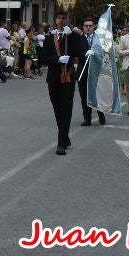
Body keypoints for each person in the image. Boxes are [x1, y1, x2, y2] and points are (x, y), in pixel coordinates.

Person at [39, 11, 85, 155]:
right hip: (53, 78)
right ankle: (65, 137)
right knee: (57, 109)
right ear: (55, 20)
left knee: (66, 109)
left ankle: (61, 144)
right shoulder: (48, 38)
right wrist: (57, 59)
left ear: (67, 20)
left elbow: (81, 51)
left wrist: (76, 35)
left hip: (68, 77)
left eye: (63, 18)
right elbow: (43, 58)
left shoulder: (72, 36)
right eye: (58, 18)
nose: (60, 20)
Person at [78, 18, 106, 126]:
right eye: (86, 26)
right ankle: (87, 118)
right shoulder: (79, 39)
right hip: (83, 71)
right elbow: (76, 51)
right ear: (83, 27)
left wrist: (96, 53)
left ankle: (101, 114)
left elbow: (104, 51)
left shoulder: (99, 38)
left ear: (94, 27)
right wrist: (84, 53)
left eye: (90, 26)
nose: (88, 28)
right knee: (84, 97)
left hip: (96, 71)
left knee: (97, 94)